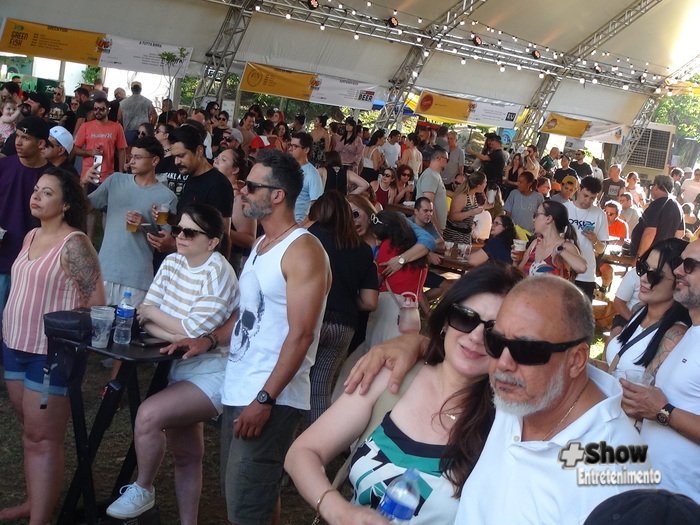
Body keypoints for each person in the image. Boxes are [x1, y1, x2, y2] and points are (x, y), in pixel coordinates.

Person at [345, 276, 651, 524]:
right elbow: (460, 351)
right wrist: (412, 343)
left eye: (526, 349)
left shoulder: (617, 472)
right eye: (496, 340)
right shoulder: (519, 399)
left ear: (576, 360)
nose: (502, 363)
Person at [163, 149, 331, 524]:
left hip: (271, 395)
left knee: (245, 506)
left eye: (251, 186)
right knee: (251, 497)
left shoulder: (303, 250)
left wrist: (266, 398)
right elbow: (247, 313)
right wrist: (208, 340)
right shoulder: (261, 245)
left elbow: (302, 335)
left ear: (277, 195)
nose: (241, 191)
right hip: (241, 386)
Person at [285, 264, 522, 525]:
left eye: (493, 332)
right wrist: (337, 510)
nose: (476, 336)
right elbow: (303, 452)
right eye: (465, 317)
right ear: (446, 320)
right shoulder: (394, 377)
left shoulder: (510, 425)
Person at [105, 204, 239, 523]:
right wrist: (172, 330)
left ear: (212, 241)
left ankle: (143, 487)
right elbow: (144, 313)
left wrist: (160, 319)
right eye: (178, 229)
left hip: (213, 372)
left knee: (149, 415)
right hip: (179, 369)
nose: (179, 236)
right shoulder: (171, 262)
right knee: (187, 456)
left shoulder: (219, 272)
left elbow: (191, 330)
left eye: (189, 232)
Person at [1, 167, 104, 524]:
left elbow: (96, 302)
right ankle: (35, 503)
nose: (36, 196)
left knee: (44, 437)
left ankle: (40, 518)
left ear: (65, 204)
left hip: (50, 353)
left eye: (47, 193)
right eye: (36, 190)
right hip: (15, 344)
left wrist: (74, 345)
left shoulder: (74, 243)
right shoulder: (31, 235)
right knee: (31, 431)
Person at [622, 239, 700, 503]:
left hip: (684, 504)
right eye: (679, 263)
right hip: (649, 490)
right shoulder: (692, 334)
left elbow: (662, 408)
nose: (678, 271)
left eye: (689, 265)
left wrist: (663, 412)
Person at [306, 191, 378, 424]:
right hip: (344, 325)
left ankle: (281, 436)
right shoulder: (362, 249)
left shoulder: (309, 238)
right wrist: (345, 298)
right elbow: (370, 301)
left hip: (311, 318)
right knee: (320, 388)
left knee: (291, 379)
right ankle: (318, 439)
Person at [87, 136, 177, 305]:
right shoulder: (115, 181)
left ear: (155, 161)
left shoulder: (166, 197)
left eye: (138, 157)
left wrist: (144, 224)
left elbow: (163, 243)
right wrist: (84, 182)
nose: (131, 162)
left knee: (127, 322)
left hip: (136, 279)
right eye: (131, 157)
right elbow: (86, 207)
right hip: (104, 272)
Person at [603, 238, 689, 377]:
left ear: (679, 282)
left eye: (654, 275)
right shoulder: (639, 310)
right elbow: (614, 370)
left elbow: (649, 387)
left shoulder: (676, 335)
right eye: (643, 268)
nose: (643, 278)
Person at [0, 117, 49, 325]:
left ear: (41, 144)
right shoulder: (4, 166)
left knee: (20, 323)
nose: (18, 142)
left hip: (33, 262)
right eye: (17, 136)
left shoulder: (52, 177)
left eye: (25, 138)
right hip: (2, 258)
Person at [365, 211, 427, 347]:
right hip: (411, 310)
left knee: (377, 350)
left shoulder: (389, 246)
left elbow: (378, 279)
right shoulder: (418, 250)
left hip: (389, 309)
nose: (377, 241)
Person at [212, 147, 256, 273]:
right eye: (217, 157)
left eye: (223, 160)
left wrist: (218, 228)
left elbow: (249, 239)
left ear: (235, 169)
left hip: (227, 260)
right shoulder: (215, 189)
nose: (216, 161)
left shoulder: (239, 198)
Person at [516, 200, 586, 278]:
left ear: (548, 219)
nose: (533, 219)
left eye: (536, 215)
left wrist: (560, 250)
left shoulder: (565, 246)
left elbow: (582, 268)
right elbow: (518, 275)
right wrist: (516, 261)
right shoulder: (535, 244)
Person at [565, 176, 609, 299]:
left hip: (586, 274)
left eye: (592, 198)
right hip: (564, 268)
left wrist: (594, 240)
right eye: (585, 196)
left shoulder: (600, 214)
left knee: (583, 309)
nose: (588, 201)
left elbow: (601, 249)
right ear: (579, 189)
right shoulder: (564, 208)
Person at [630, 174, 684, 258]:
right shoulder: (678, 207)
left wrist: (639, 258)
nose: (651, 189)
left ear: (656, 186)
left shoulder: (656, 205)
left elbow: (649, 233)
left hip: (649, 257)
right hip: (663, 257)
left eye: (652, 186)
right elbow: (680, 234)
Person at [444, 171, 489, 244]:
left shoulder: (473, 195)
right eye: (485, 182)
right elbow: (452, 216)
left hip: (465, 236)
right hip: (455, 236)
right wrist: (471, 212)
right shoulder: (462, 196)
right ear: (478, 185)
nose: (486, 184)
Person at [289, 131, 324, 224]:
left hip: (298, 223)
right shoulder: (286, 168)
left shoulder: (312, 174)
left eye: (295, 146)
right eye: (290, 145)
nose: (290, 149)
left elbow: (316, 205)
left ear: (306, 150)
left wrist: (303, 226)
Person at [416, 149, 449, 231]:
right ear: (439, 158)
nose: (447, 163)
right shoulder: (430, 175)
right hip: (429, 228)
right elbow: (428, 204)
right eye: (447, 159)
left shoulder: (435, 175)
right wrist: (436, 230)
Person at [118, 81, 156, 145]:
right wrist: (150, 127)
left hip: (128, 132)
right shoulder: (147, 102)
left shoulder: (123, 103)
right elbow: (154, 116)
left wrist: (124, 127)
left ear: (131, 89)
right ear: (141, 89)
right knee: (142, 149)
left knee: (129, 150)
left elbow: (119, 118)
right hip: (144, 132)